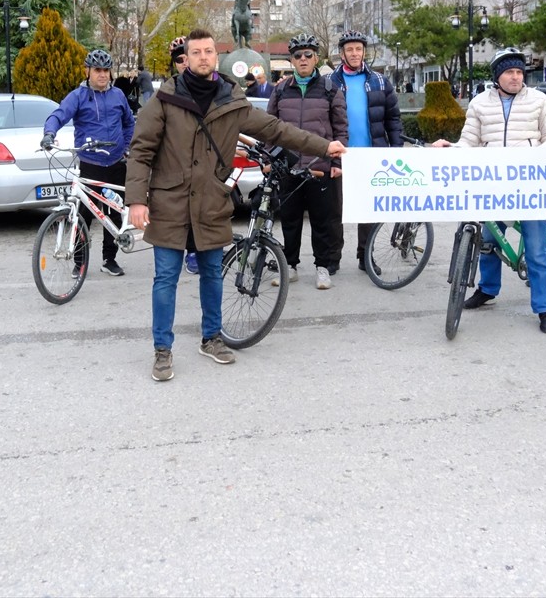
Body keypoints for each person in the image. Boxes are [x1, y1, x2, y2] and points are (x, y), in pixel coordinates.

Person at [125, 28, 347, 382]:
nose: (202, 57)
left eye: (208, 51)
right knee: (165, 278)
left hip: (212, 200)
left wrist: (324, 146)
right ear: (187, 58)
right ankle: (162, 350)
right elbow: (141, 151)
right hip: (170, 202)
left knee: (213, 274)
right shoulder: (164, 101)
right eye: (195, 52)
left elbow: (276, 129)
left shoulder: (231, 100)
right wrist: (136, 199)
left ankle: (211, 338)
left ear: (217, 56)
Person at [432, 48, 546, 333]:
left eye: (519, 72)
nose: (516, 77)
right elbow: (470, 141)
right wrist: (451, 148)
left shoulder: (539, 99)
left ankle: (545, 308)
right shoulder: (480, 103)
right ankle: (488, 289)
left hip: (531, 186)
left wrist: (539, 156)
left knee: (537, 250)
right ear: (497, 76)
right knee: (487, 242)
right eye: (509, 72)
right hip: (494, 187)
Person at [41, 49, 135, 277]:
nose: (102, 75)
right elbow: (58, 115)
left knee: (113, 212)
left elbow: (129, 123)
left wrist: (127, 145)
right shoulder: (78, 96)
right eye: (97, 70)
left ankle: (109, 259)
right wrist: (49, 134)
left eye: (105, 70)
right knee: (84, 213)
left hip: (115, 161)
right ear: (87, 71)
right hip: (90, 162)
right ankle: (79, 261)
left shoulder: (118, 96)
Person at [266, 33, 347, 290]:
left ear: (316, 58)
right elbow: (270, 127)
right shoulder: (280, 90)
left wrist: (337, 163)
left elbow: (341, 129)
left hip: (319, 167)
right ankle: (289, 265)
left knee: (322, 220)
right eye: (298, 55)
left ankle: (322, 267)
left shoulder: (330, 89)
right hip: (289, 167)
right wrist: (270, 158)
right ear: (291, 60)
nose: (303, 59)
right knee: (289, 219)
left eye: (308, 55)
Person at [328, 29, 403, 273]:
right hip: (339, 155)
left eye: (358, 49)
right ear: (342, 53)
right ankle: (332, 258)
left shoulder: (379, 81)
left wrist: (396, 149)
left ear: (364, 52)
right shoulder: (329, 82)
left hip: (370, 155)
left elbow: (393, 118)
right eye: (349, 49)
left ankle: (365, 257)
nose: (354, 53)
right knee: (334, 210)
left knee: (368, 210)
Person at [169, 35, 201, 276]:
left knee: (195, 210)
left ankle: (193, 251)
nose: (182, 62)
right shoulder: (167, 91)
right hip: (173, 162)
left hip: (200, 161)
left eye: (185, 57)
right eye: (178, 59)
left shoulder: (206, 88)